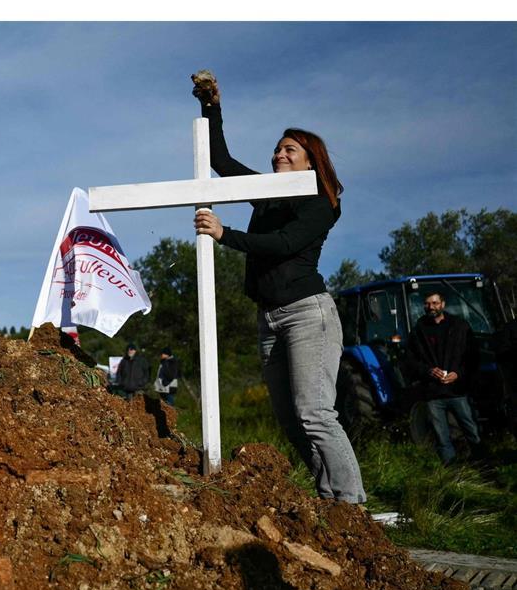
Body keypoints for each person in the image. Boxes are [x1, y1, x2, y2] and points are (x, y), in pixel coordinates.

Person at [190, 71, 366, 504]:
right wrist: (211, 105)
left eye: (290, 149)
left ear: (310, 160)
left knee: (315, 414)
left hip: (308, 313)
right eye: (276, 149)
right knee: (290, 419)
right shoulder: (266, 192)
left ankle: (350, 502)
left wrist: (225, 234)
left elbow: (285, 243)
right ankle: (327, 498)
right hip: (268, 316)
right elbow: (221, 161)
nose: (278, 154)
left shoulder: (321, 202)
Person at [403, 292, 482, 464]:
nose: (431, 307)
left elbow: (472, 356)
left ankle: (484, 465)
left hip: (458, 391)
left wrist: (458, 374)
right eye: (427, 303)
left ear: (443, 304)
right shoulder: (418, 331)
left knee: (472, 430)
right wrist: (429, 371)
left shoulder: (460, 326)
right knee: (441, 437)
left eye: (435, 303)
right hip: (433, 394)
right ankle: (451, 472)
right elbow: (410, 361)